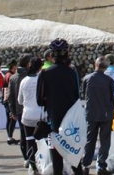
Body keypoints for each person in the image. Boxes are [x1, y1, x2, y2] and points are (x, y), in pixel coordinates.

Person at [36, 38, 82, 175]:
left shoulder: (45, 74)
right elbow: (77, 97)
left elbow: (39, 100)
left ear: (52, 55)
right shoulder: (72, 73)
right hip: (71, 122)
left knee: (57, 163)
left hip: (53, 121)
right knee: (74, 159)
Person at [81, 57, 114, 175]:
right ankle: (101, 165)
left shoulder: (87, 78)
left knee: (90, 139)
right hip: (106, 113)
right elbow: (112, 97)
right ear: (106, 67)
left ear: (95, 64)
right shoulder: (109, 80)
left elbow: (84, 94)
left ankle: (85, 165)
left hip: (91, 112)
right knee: (105, 140)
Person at [18, 57, 45, 175]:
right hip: (40, 116)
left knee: (29, 140)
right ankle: (43, 163)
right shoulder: (42, 80)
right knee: (42, 141)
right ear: (40, 67)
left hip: (27, 115)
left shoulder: (24, 81)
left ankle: (32, 165)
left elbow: (20, 100)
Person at [8, 54, 31, 167]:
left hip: (19, 110)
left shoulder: (13, 78)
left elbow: (10, 97)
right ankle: (32, 157)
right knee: (33, 135)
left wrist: (12, 111)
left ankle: (26, 158)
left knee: (23, 134)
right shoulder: (31, 76)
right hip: (31, 109)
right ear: (28, 64)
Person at [4, 60, 18, 145]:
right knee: (12, 119)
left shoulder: (7, 74)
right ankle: (9, 137)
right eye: (16, 65)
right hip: (9, 99)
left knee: (10, 119)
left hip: (6, 99)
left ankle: (10, 136)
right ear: (13, 66)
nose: (16, 67)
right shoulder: (10, 75)